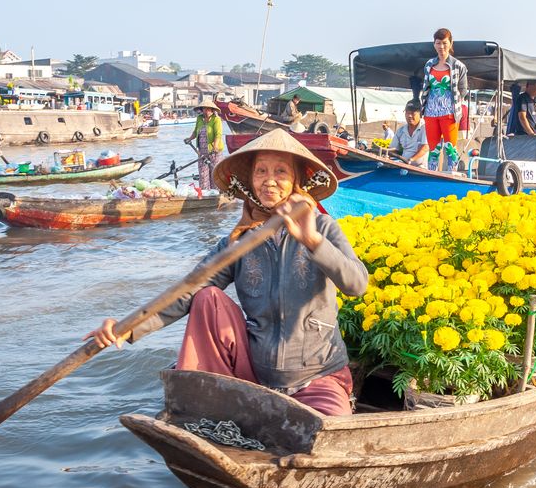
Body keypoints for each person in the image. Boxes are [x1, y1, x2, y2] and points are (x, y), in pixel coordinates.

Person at [84, 129, 368, 416]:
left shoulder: (323, 227)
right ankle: (208, 399)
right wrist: (127, 328)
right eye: (261, 172)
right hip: (256, 374)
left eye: (281, 171)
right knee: (207, 297)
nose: (270, 180)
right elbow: (187, 292)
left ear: (296, 180)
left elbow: (357, 284)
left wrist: (312, 241)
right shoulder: (238, 242)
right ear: (250, 180)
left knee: (328, 429)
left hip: (317, 376)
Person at [419, 28, 468, 171]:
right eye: (438, 43)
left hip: (449, 112)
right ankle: (432, 174)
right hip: (430, 111)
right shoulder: (429, 64)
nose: (441, 46)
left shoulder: (458, 66)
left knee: (450, 148)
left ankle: (452, 174)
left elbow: (463, 89)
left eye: (444, 43)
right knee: (433, 149)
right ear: (434, 44)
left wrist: (454, 102)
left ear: (451, 43)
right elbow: (426, 86)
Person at [184, 98, 225, 189]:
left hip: (214, 151)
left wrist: (215, 146)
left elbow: (218, 134)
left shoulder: (216, 119)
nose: (206, 111)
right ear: (202, 110)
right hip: (201, 151)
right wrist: (189, 138)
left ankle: (216, 193)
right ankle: (205, 193)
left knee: (214, 173)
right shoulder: (199, 118)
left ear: (212, 110)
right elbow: (196, 131)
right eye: (204, 109)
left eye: (208, 109)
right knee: (203, 173)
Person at [390, 101, 429, 167]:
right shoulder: (401, 131)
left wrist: (410, 160)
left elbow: (425, 148)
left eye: (413, 113)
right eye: (407, 113)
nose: (409, 116)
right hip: (403, 167)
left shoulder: (425, 128)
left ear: (420, 114)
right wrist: (384, 152)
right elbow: (393, 149)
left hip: (421, 170)